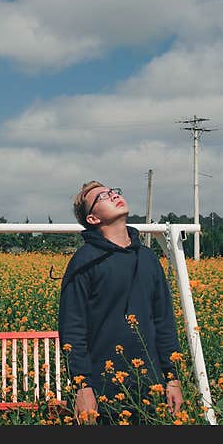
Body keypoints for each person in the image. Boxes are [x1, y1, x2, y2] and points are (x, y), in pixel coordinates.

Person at [58, 180, 183, 424]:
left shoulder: (148, 258)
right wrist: (83, 387)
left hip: (152, 391)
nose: (113, 195)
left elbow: (164, 322)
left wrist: (173, 378)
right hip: (103, 394)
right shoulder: (84, 261)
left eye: (113, 191)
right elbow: (73, 329)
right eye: (102, 196)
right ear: (93, 218)